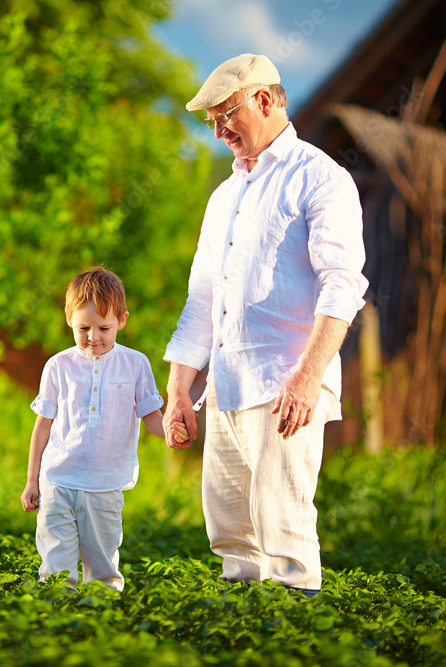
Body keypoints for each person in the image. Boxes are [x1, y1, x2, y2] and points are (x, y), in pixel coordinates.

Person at [162, 53, 369, 597]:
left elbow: (343, 284)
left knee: (283, 528)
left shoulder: (320, 177)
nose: (219, 128)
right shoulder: (223, 195)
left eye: (226, 113)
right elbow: (203, 298)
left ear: (266, 99)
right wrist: (180, 386)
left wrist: (307, 377)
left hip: (286, 387)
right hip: (226, 388)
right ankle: (242, 642)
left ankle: (296, 641)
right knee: (230, 532)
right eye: (211, 121)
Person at [20, 266, 173, 591]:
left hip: (104, 485)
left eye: (103, 327)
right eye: (83, 327)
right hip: (57, 482)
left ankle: (100, 623)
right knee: (56, 566)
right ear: (68, 319)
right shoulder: (58, 366)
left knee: (102, 565)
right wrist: (32, 480)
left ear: (122, 320)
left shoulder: (135, 364)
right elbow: (42, 427)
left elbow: (152, 418)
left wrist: (172, 432)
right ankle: (58, 622)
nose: (93, 336)